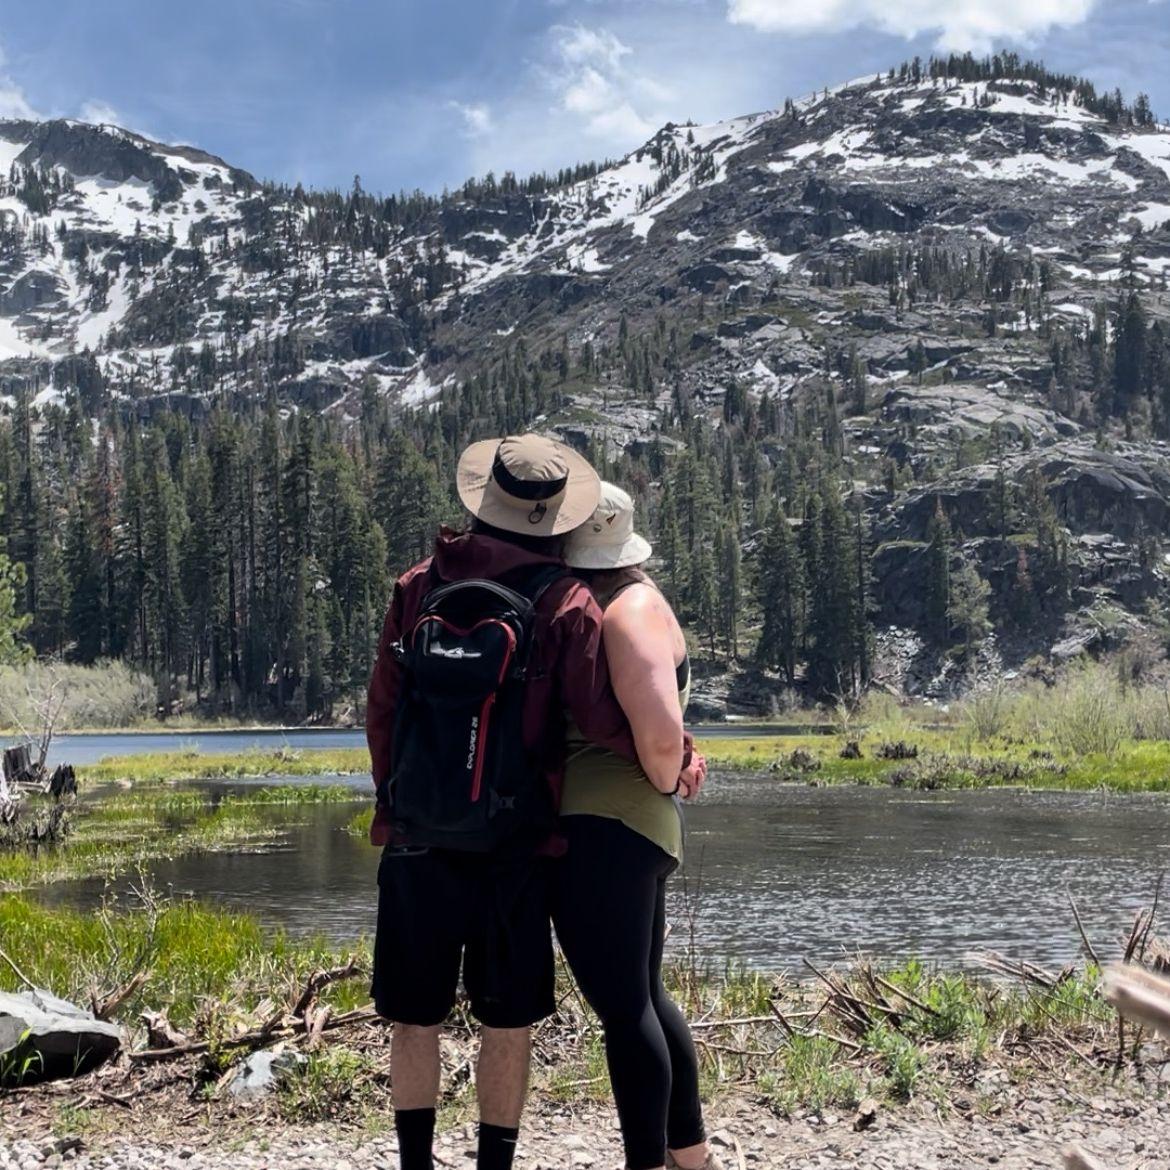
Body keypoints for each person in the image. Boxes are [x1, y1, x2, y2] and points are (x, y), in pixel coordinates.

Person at [366, 436, 690, 1170]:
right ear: (551, 517)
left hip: (418, 836)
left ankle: (415, 1163)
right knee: (505, 1022)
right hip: (515, 841)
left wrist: (397, 803)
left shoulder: (416, 585)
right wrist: (681, 757)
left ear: (483, 502)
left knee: (413, 1019)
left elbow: (382, 709)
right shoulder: (566, 600)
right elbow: (601, 719)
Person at [553, 482, 721, 1170]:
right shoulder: (624, 603)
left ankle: (647, 1163)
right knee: (644, 997)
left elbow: (658, 747)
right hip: (629, 829)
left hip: (608, 829)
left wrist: (673, 769)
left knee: (624, 1011)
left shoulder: (628, 612)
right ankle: (692, 1158)